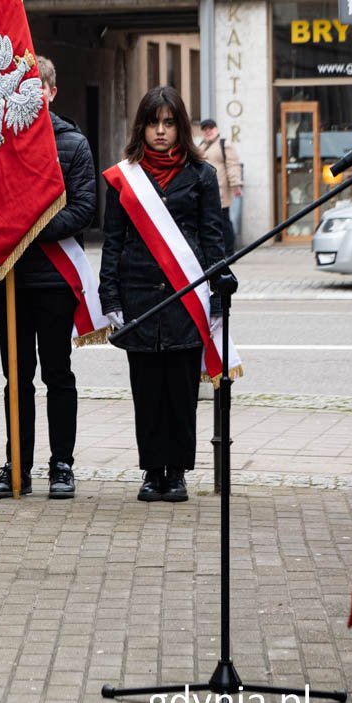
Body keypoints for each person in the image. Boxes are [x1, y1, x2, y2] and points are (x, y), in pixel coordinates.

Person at [99, 85, 226, 503]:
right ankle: (152, 472)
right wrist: (111, 299)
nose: (160, 131)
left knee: (181, 392)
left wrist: (219, 292)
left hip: (185, 298)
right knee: (148, 393)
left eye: (169, 123)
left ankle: (178, 473)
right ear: (142, 126)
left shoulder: (202, 175)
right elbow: (112, 243)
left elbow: (212, 239)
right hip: (138, 296)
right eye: (153, 122)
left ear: (181, 127)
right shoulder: (124, 178)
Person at [0, 55, 96, 500]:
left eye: (39, 88)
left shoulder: (73, 144)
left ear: (51, 92)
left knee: (57, 374)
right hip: (8, 276)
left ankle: (61, 465)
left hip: (53, 279)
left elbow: (84, 209)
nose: (31, 95)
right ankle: (18, 463)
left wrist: (27, 229)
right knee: (16, 378)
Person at [199, 118, 243, 255]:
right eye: (205, 129)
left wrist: (236, 185)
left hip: (221, 189)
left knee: (224, 221)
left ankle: (230, 252)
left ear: (216, 129)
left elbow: (232, 165)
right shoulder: (201, 146)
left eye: (210, 128)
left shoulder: (224, 144)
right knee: (210, 221)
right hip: (204, 191)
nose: (208, 131)